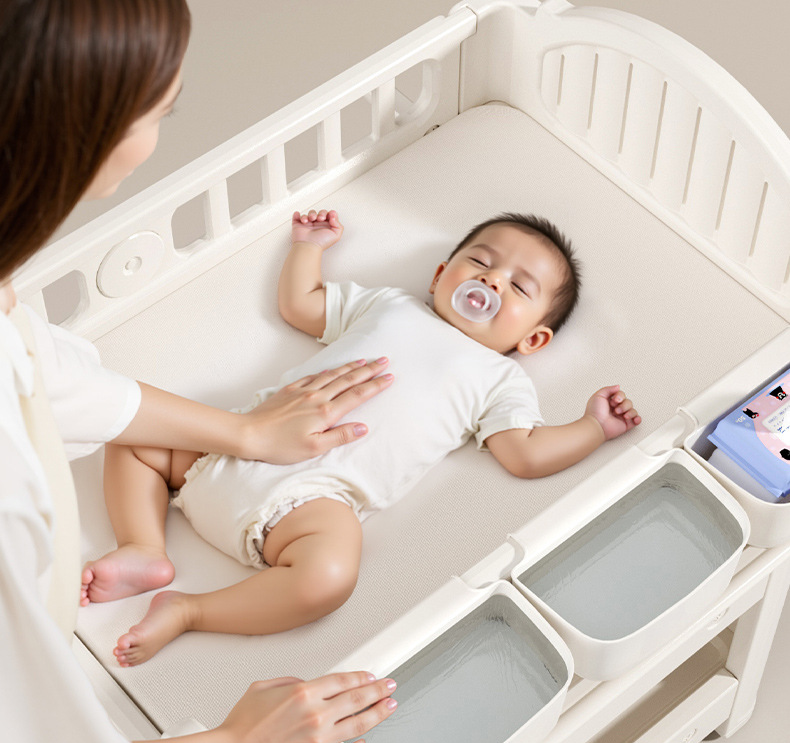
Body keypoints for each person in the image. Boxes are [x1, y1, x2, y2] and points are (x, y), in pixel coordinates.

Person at [0, 0, 397, 743]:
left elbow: (58, 378)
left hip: (293, 477)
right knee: (322, 572)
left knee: (321, 560)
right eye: (155, 104)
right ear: (76, 136)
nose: (172, 108)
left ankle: (165, 573)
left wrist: (248, 431)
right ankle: (173, 589)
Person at [87, 206, 641, 666]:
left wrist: (592, 428)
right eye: (480, 262)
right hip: (232, 443)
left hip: (312, 504)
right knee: (130, 425)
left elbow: (524, 453)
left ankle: (189, 610)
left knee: (328, 578)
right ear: (439, 276)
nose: (492, 281)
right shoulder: (390, 305)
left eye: (518, 286)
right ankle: (143, 547)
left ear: (534, 339)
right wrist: (308, 247)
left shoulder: (500, 378)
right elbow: (301, 305)